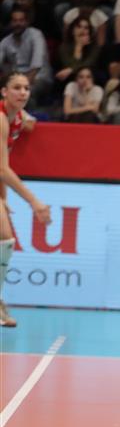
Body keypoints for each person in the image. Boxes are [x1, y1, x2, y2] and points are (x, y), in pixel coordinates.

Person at [0, 71, 49, 326]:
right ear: (4, 92)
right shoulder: (0, 119)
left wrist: (3, 198)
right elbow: (2, 169)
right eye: (16, 87)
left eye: (26, 88)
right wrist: (34, 201)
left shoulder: (17, 119)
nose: (22, 92)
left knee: (5, 240)